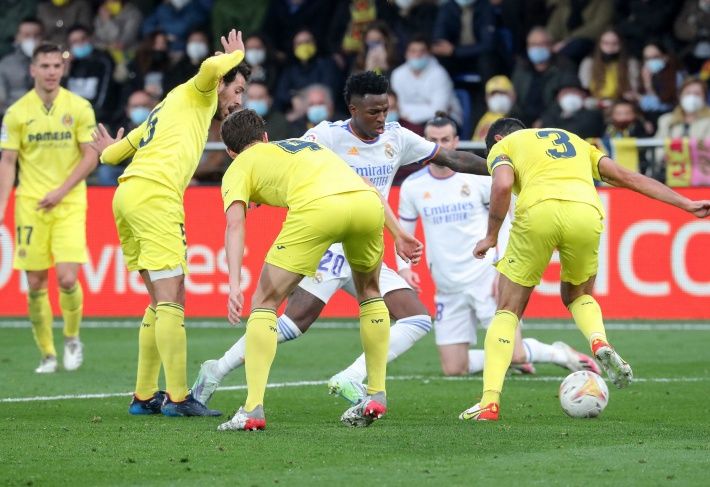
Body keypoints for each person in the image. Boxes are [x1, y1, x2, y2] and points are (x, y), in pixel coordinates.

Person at [191, 71, 492, 410]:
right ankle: (218, 370)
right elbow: (288, 162)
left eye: (385, 110)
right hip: (326, 238)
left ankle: (352, 375)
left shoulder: (398, 137)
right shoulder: (325, 135)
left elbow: (453, 159)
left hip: (364, 228)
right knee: (294, 321)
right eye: (374, 112)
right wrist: (256, 185)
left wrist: (500, 168)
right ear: (353, 109)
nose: (382, 118)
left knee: (416, 318)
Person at [458, 117, 710, 421]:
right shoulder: (575, 140)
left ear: (497, 140)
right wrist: (685, 203)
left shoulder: (505, 145)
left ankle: (489, 402)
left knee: (507, 309)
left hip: (539, 212)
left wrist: (491, 236)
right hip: (586, 213)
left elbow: (502, 184)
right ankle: (598, 340)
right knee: (578, 295)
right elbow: (627, 176)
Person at [215, 110, 411, 431]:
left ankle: (252, 409)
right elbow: (366, 185)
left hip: (319, 208)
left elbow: (235, 224)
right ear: (265, 137)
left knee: (264, 302)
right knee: (371, 293)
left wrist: (234, 284)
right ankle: (376, 394)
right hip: (366, 204)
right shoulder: (305, 145)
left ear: (230, 152)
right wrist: (399, 233)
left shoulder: (239, 166)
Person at [90, 29, 249, 417]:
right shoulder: (199, 91)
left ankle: (145, 395)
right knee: (173, 297)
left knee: (159, 301)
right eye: (238, 90)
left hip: (128, 195)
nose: (239, 100)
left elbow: (119, 151)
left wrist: (107, 150)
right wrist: (235, 56)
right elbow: (209, 67)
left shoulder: (169, 106)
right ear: (221, 84)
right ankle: (178, 397)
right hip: (155, 197)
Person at [399, 114, 599, 376]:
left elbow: (506, 222)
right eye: (433, 140)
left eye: (445, 139)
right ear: (425, 142)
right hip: (447, 286)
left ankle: (558, 353)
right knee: (454, 369)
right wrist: (404, 268)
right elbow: (403, 233)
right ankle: (506, 359)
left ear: (456, 141)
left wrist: (501, 268)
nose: (440, 146)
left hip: (484, 277)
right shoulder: (412, 186)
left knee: (515, 353)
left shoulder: (480, 178)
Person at [0, 42, 98, 374]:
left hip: (69, 202)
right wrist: (1, 206)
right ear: (33, 70)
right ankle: (47, 354)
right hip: (31, 205)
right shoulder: (16, 113)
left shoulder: (79, 107)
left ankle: (71, 337)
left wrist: (61, 191)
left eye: (57, 65)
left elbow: (91, 155)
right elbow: (8, 161)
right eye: (45, 66)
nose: (51, 71)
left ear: (63, 69)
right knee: (36, 283)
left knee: (67, 278)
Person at [390, 35, 461, 131]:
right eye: (413, 51)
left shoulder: (440, 73)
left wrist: (409, 115)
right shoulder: (398, 74)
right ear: (406, 53)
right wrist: (427, 107)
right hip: (406, 120)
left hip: (441, 119)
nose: (417, 55)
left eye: (422, 51)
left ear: (429, 53)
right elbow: (397, 106)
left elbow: (439, 110)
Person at [578, 29, 640, 109]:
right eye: (606, 43)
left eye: (615, 43)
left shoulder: (630, 62)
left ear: (621, 44)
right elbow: (585, 87)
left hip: (622, 102)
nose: (610, 47)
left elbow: (633, 87)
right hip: (596, 102)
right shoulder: (589, 62)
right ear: (599, 44)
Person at [66, 25, 116, 123]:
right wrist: (65, 71)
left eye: (83, 39)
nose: (80, 43)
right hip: (71, 118)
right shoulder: (68, 64)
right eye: (75, 41)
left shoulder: (103, 60)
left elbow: (105, 93)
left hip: (97, 118)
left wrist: (91, 116)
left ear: (90, 39)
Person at [0, 17, 43, 115]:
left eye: (36, 35)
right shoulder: (6, 64)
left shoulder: (53, 63)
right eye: (26, 35)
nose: (32, 39)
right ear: (18, 37)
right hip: (14, 116)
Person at [541, 75, 605, 139]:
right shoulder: (551, 114)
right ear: (558, 97)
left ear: (584, 95)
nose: (570, 96)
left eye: (574, 91)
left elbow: (577, 132)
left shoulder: (593, 115)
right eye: (565, 92)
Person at [472, 75, 520, 141]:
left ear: (513, 95)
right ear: (486, 98)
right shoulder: (488, 120)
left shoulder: (519, 117)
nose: (498, 97)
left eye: (502, 93)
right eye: (493, 94)